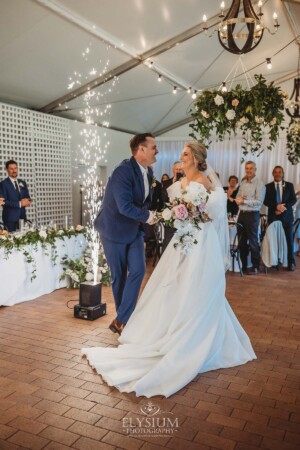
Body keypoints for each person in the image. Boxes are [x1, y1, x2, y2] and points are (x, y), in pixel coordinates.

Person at [82, 141, 256, 398]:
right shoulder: (174, 184)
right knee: (171, 284)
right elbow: (166, 208)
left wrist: (197, 214)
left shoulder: (208, 182)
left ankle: (189, 331)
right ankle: (133, 321)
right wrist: (175, 214)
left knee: (198, 285)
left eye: (185, 154)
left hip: (200, 242)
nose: (180, 157)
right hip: (179, 241)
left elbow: (216, 211)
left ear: (196, 158)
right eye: (182, 153)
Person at [94, 133, 158, 335]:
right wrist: (148, 216)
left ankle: (121, 319)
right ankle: (124, 322)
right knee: (119, 276)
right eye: (154, 147)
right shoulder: (122, 171)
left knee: (139, 271)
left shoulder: (148, 172)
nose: (157, 150)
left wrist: (152, 213)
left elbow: (144, 201)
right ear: (141, 149)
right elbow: (124, 207)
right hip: (114, 230)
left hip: (134, 230)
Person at [235, 161, 266, 275]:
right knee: (242, 241)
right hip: (242, 214)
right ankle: (243, 265)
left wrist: (244, 200)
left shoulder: (260, 184)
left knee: (253, 242)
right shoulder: (243, 183)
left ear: (255, 169)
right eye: (247, 168)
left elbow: (259, 202)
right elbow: (238, 197)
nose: (248, 170)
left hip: (253, 215)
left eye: (251, 168)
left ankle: (255, 266)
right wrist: (240, 200)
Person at [264, 166, 297, 271]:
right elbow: (265, 201)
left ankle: (291, 262)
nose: (278, 174)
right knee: (274, 241)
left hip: (287, 217)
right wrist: (276, 207)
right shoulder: (267, 186)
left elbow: (293, 199)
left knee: (289, 240)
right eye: (276, 172)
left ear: (283, 174)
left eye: (280, 172)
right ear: (272, 173)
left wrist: (283, 208)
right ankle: (275, 261)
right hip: (273, 217)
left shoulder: (289, 185)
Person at [0, 160, 31, 232]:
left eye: (15, 168)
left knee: (24, 239)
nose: (14, 170)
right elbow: (3, 202)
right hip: (10, 219)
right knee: (11, 241)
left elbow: (28, 197)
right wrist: (20, 203)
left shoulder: (22, 182)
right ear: (6, 170)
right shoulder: (3, 184)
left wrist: (28, 201)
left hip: (22, 217)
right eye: (11, 168)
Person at [295, 183, 300, 257]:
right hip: (299, 210)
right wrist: (297, 193)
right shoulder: (298, 185)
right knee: (298, 229)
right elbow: (294, 197)